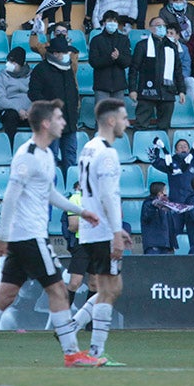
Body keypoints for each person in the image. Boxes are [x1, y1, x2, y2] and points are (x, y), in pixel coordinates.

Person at [0, 100, 105, 368]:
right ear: (45, 123)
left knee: (5, 294)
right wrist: (4, 236)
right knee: (57, 290)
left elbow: (49, 193)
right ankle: (72, 353)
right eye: (58, 117)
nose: (63, 122)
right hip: (29, 236)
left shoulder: (45, 155)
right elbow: (9, 197)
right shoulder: (27, 154)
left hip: (23, 238)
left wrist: (79, 210)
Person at [70, 98, 130, 363]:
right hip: (103, 230)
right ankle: (96, 351)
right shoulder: (107, 152)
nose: (127, 124)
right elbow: (107, 195)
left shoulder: (88, 148)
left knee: (109, 287)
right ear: (110, 120)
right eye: (124, 118)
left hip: (90, 229)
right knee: (110, 289)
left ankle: (72, 327)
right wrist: (117, 231)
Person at [28, 37, 79, 174]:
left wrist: (74, 113)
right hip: (50, 123)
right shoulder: (41, 70)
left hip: (70, 121)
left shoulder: (68, 68)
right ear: (55, 53)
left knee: (71, 157)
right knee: (51, 158)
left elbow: (73, 91)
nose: (67, 55)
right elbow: (33, 93)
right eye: (63, 52)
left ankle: (71, 187)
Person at [129, 16, 186, 130]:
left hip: (167, 92)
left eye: (163, 26)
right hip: (147, 91)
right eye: (158, 25)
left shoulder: (172, 46)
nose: (162, 28)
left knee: (164, 127)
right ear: (150, 29)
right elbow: (134, 69)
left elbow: (178, 70)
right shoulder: (143, 45)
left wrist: (181, 90)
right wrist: (133, 89)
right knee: (141, 125)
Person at [89, 10, 132, 103]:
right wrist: (110, 58)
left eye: (115, 21)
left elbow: (127, 61)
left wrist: (118, 57)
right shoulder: (96, 40)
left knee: (118, 115)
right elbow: (94, 62)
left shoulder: (124, 39)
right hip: (101, 85)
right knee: (102, 115)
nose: (112, 23)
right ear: (104, 23)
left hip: (119, 86)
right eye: (109, 21)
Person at [0, 47, 31, 146]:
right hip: (10, 112)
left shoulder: (32, 75)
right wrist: (19, 110)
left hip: (29, 112)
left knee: (42, 116)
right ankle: (11, 149)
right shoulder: (3, 75)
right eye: (9, 61)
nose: (9, 65)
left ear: (22, 64)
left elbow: (37, 95)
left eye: (14, 63)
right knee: (10, 116)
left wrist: (31, 109)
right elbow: (0, 99)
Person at [140, 181, 176, 254]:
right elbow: (146, 218)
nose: (166, 193)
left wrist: (172, 243)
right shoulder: (148, 204)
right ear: (160, 193)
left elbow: (169, 225)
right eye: (165, 190)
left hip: (166, 244)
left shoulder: (166, 206)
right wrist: (154, 207)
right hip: (153, 243)